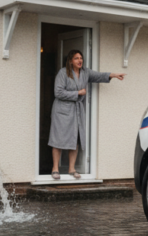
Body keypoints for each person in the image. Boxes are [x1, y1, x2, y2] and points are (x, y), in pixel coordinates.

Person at [49, 49, 125, 179]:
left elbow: (99, 75)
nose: (80, 61)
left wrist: (114, 75)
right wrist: (78, 93)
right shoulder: (63, 73)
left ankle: (71, 169)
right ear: (70, 61)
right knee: (58, 139)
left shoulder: (85, 72)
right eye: (76, 58)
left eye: (81, 58)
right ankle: (55, 168)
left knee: (76, 138)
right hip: (62, 111)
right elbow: (58, 92)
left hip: (77, 111)